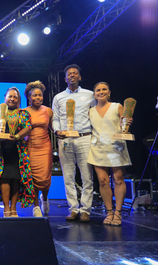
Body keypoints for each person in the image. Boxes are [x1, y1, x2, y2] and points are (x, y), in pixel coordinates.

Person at [52, 64, 95, 222]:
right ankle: (73, 209)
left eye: (75, 73)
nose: (72, 75)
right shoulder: (58, 97)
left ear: (80, 77)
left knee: (87, 176)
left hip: (84, 137)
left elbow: (95, 116)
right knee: (68, 176)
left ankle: (85, 210)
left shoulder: (90, 95)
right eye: (69, 74)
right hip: (65, 140)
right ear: (65, 78)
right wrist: (57, 131)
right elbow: (55, 119)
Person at [87, 82, 132, 226]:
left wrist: (127, 122)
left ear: (109, 92)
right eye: (98, 90)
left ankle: (118, 212)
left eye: (104, 89)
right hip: (98, 148)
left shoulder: (117, 106)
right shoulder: (90, 111)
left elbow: (124, 123)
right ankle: (109, 212)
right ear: (94, 94)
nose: (101, 92)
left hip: (116, 147)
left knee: (118, 179)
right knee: (102, 181)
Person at [0, 87, 35, 217]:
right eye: (10, 96)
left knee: (16, 179)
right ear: (5, 98)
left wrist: (17, 136)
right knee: (4, 178)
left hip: (18, 150)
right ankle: (6, 208)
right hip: (0, 151)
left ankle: (14, 208)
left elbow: (28, 128)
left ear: (18, 100)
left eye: (15, 97)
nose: (12, 99)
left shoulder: (23, 113)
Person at [24, 81, 53, 217]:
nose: (37, 98)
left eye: (40, 95)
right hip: (30, 147)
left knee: (45, 178)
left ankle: (45, 198)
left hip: (45, 147)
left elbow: (53, 128)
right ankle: (35, 206)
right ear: (29, 97)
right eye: (34, 95)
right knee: (34, 178)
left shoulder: (48, 111)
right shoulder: (23, 112)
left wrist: (61, 132)